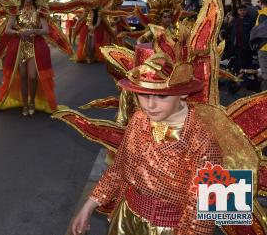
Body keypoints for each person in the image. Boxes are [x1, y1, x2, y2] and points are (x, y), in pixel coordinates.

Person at [70, 42, 222, 235]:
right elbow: (119, 167)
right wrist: (89, 206)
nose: (150, 105)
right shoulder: (139, 119)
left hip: (170, 229)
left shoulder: (202, 141)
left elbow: (201, 214)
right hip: (125, 219)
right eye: (143, 94)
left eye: (162, 97)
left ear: (183, 92)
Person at [255, 0, 267, 91]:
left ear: (262, 3)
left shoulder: (263, 14)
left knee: (265, 73)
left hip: (264, 48)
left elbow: (262, 33)